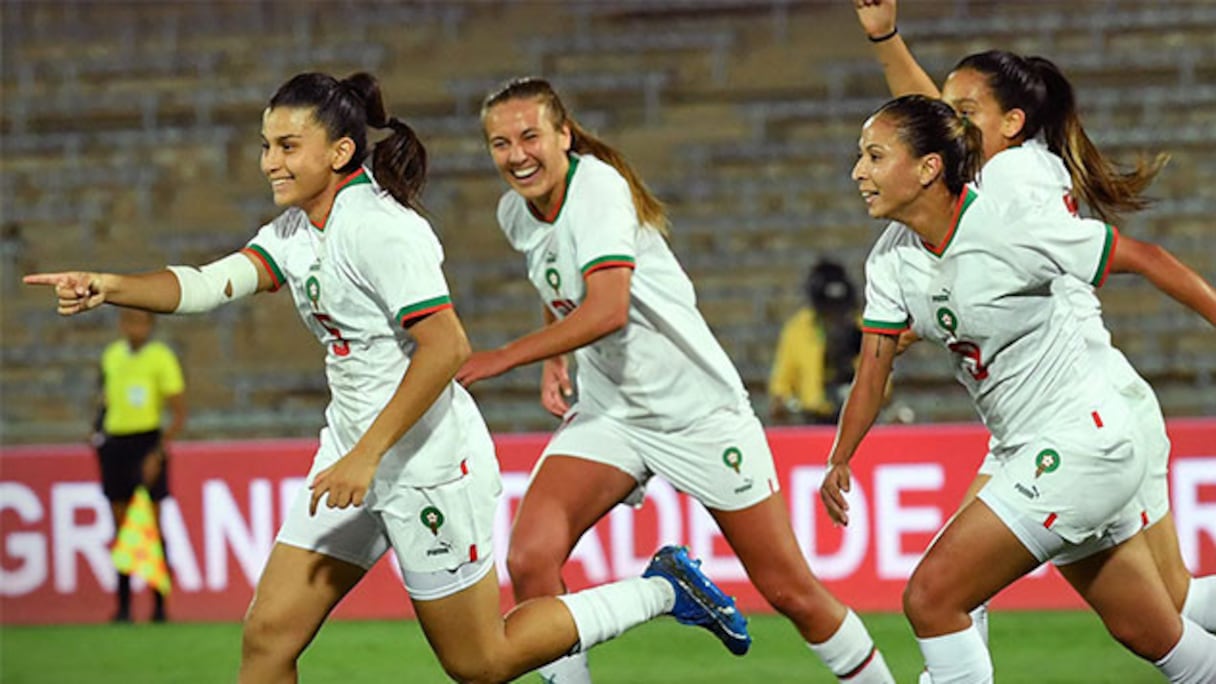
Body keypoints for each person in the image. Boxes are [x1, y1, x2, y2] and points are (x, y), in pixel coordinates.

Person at [25, 71, 751, 684]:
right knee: (268, 640)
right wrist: (110, 285)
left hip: (425, 466)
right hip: (352, 460)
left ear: (340, 151)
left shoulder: (381, 228)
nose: (269, 161)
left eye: (287, 146)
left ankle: (664, 590)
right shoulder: (296, 231)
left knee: (481, 662)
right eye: (266, 145)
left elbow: (445, 346)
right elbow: (208, 283)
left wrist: (369, 454)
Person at [456, 77, 894, 684]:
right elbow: (557, 277)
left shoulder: (597, 189)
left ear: (563, 135)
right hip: (612, 413)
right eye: (500, 144)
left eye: (530, 136)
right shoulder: (515, 211)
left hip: (696, 412)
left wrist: (505, 357)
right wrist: (556, 357)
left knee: (791, 591)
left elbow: (608, 308)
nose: (517, 155)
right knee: (531, 559)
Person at [821, 94, 1216, 682]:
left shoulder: (1011, 228)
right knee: (1153, 631)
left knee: (933, 596)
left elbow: (1147, 257)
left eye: (875, 156)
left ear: (928, 168)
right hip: (1030, 451)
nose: (858, 172)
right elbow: (873, 370)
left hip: (1083, 442)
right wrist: (840, 456)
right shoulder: (889, 261)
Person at [94, 308, 186, 623]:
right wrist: (97, 432)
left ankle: (160, 606)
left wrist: (157, 452)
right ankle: (123, 607)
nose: (135, 328)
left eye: (141, 322)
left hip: (147, 443)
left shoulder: (161, 357)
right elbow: (105, 399)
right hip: (115, 443)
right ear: (122, 325)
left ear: (151, 325)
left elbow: (178, 412)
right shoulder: (111, 356)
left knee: (153, 526)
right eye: (129, 321)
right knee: (121, 530)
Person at [769, 259, 863, 425]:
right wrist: (784, 405)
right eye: (828, 311)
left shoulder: (862, 329)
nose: (834, 317)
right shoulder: (799, 329)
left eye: (840, 310)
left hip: (857, 419)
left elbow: (883, 387)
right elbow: (780, 388)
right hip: (813, 421)